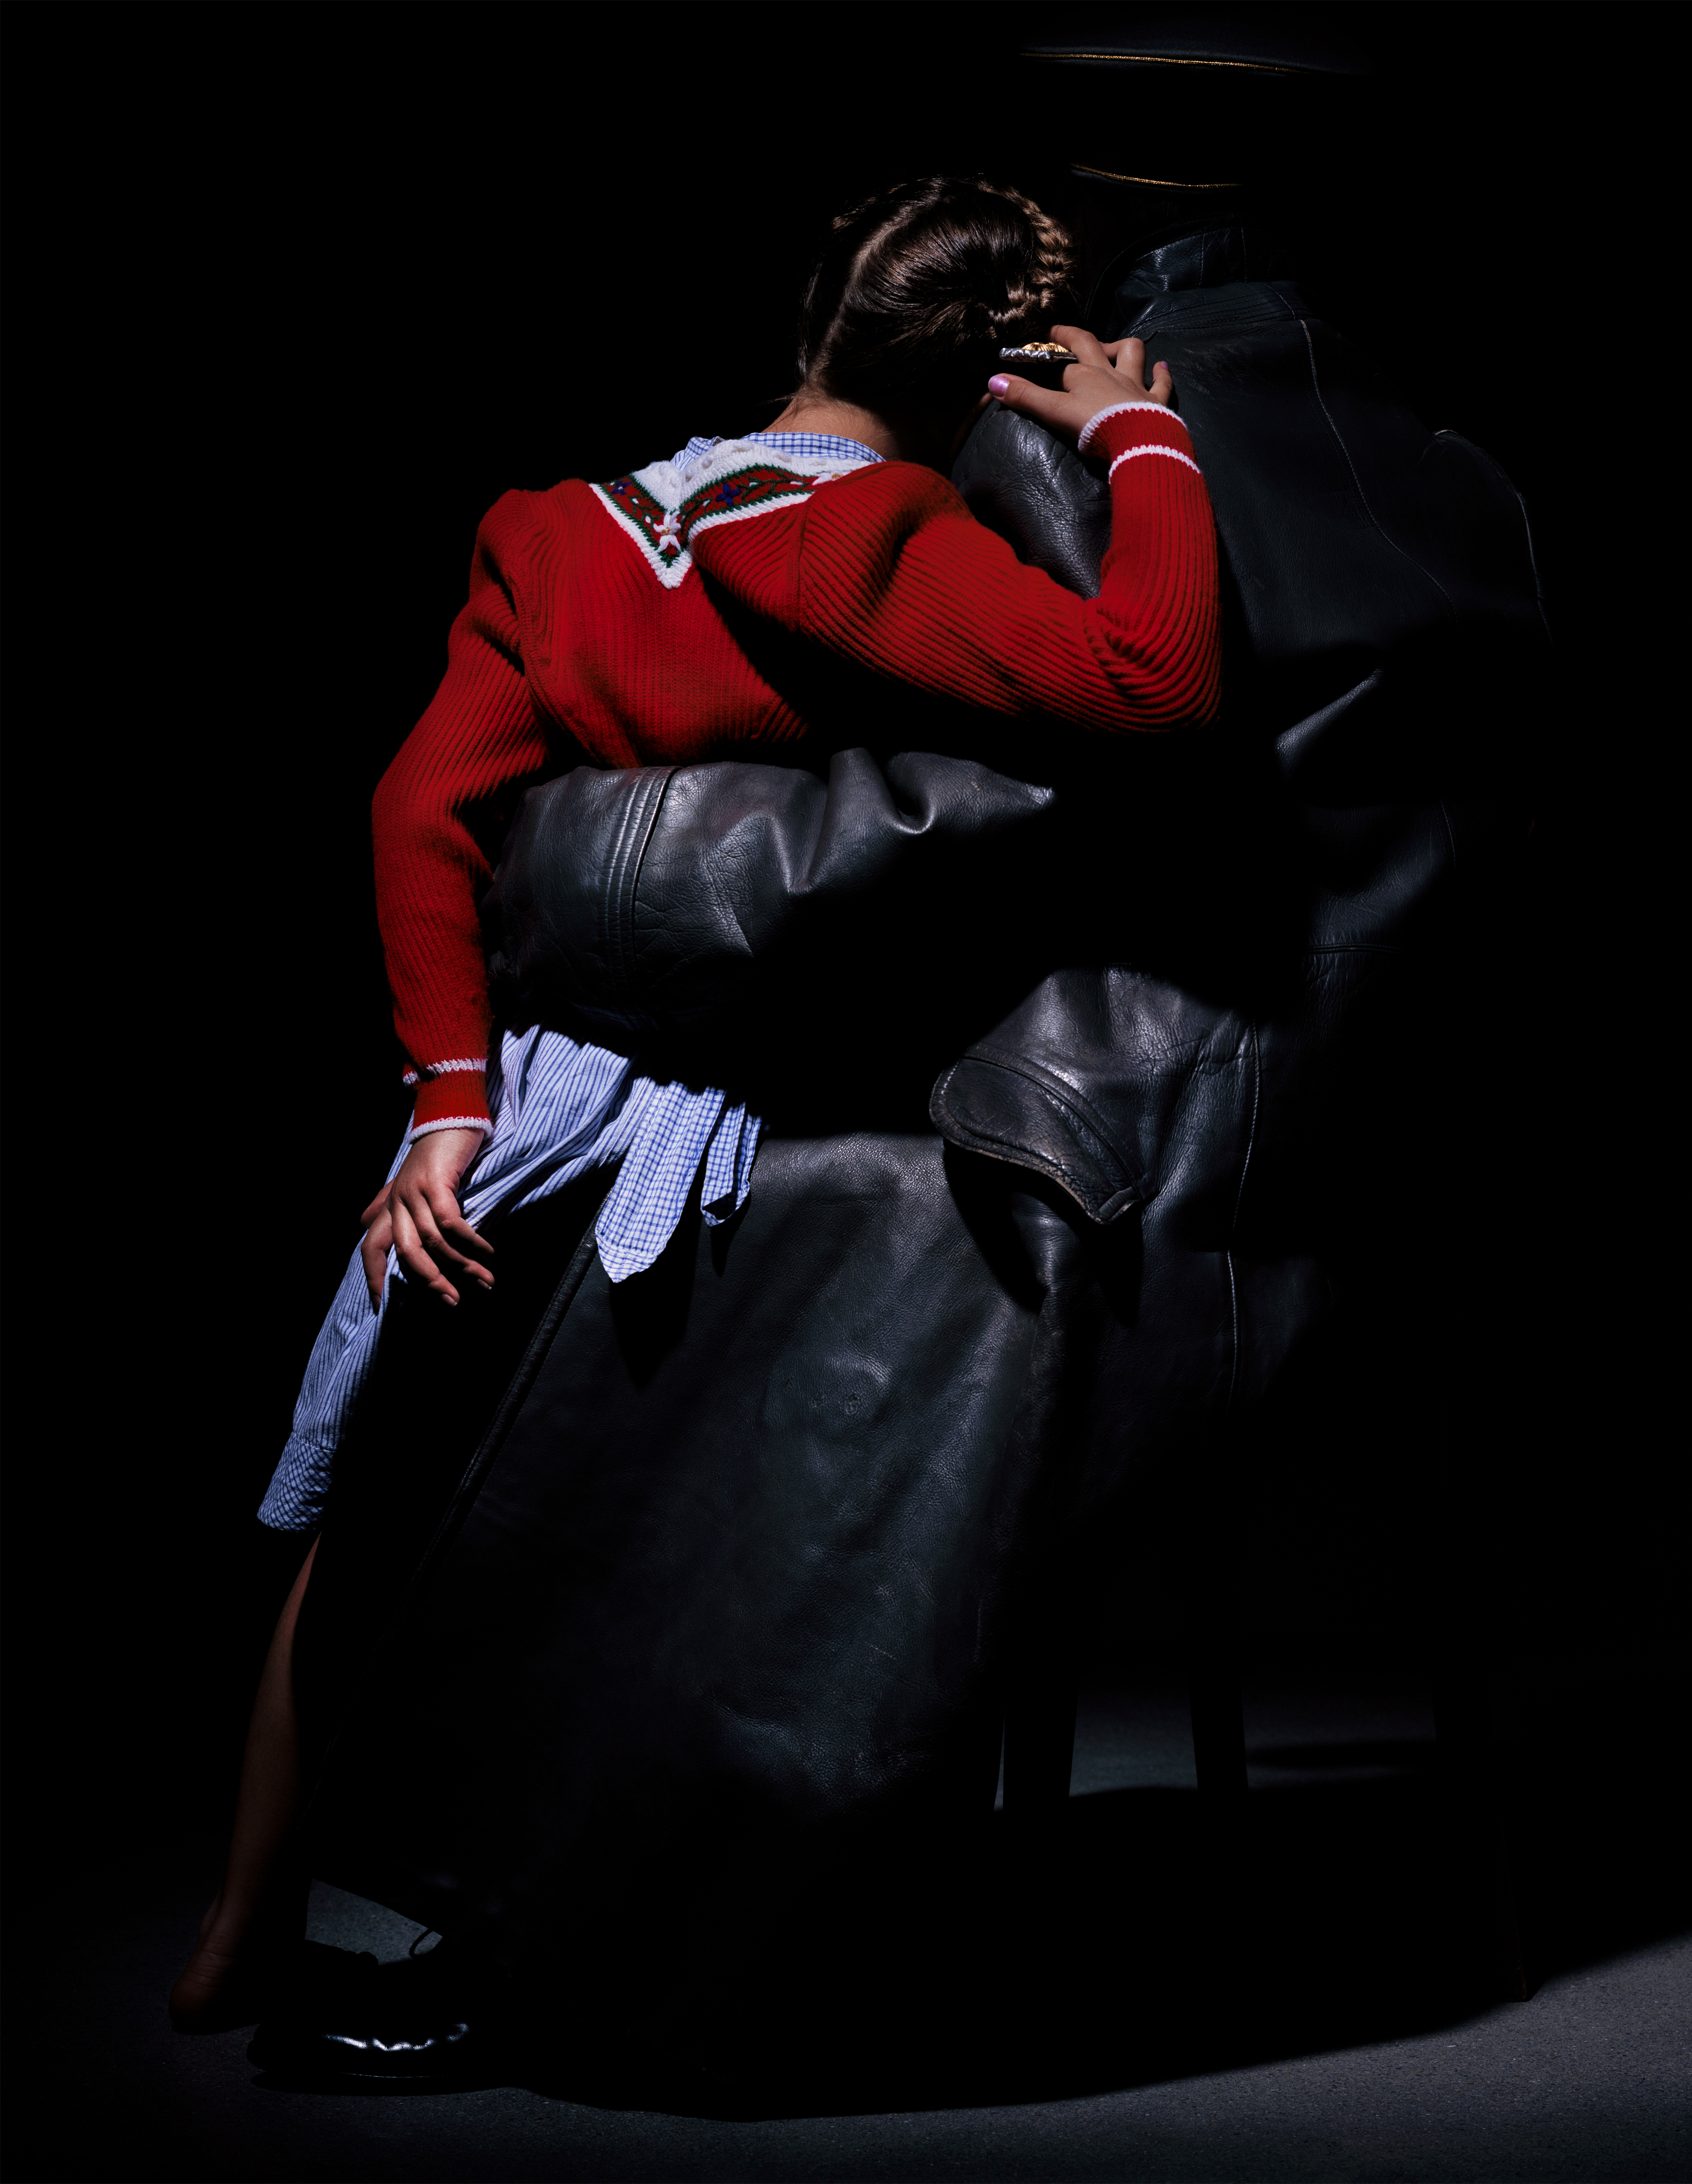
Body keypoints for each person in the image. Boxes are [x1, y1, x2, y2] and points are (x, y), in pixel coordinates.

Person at [169, 173, 1222, 2038]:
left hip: (530, 1101)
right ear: (987, 375)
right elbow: (1154, 675)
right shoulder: (873, 539)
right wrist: (1138, 433)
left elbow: (418, 812)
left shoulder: (563, 530)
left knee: (370, 1515)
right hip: (708, 1110)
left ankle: (237, 1933)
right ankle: (563, 1914)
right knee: (605, 1534)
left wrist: (447, 1101)